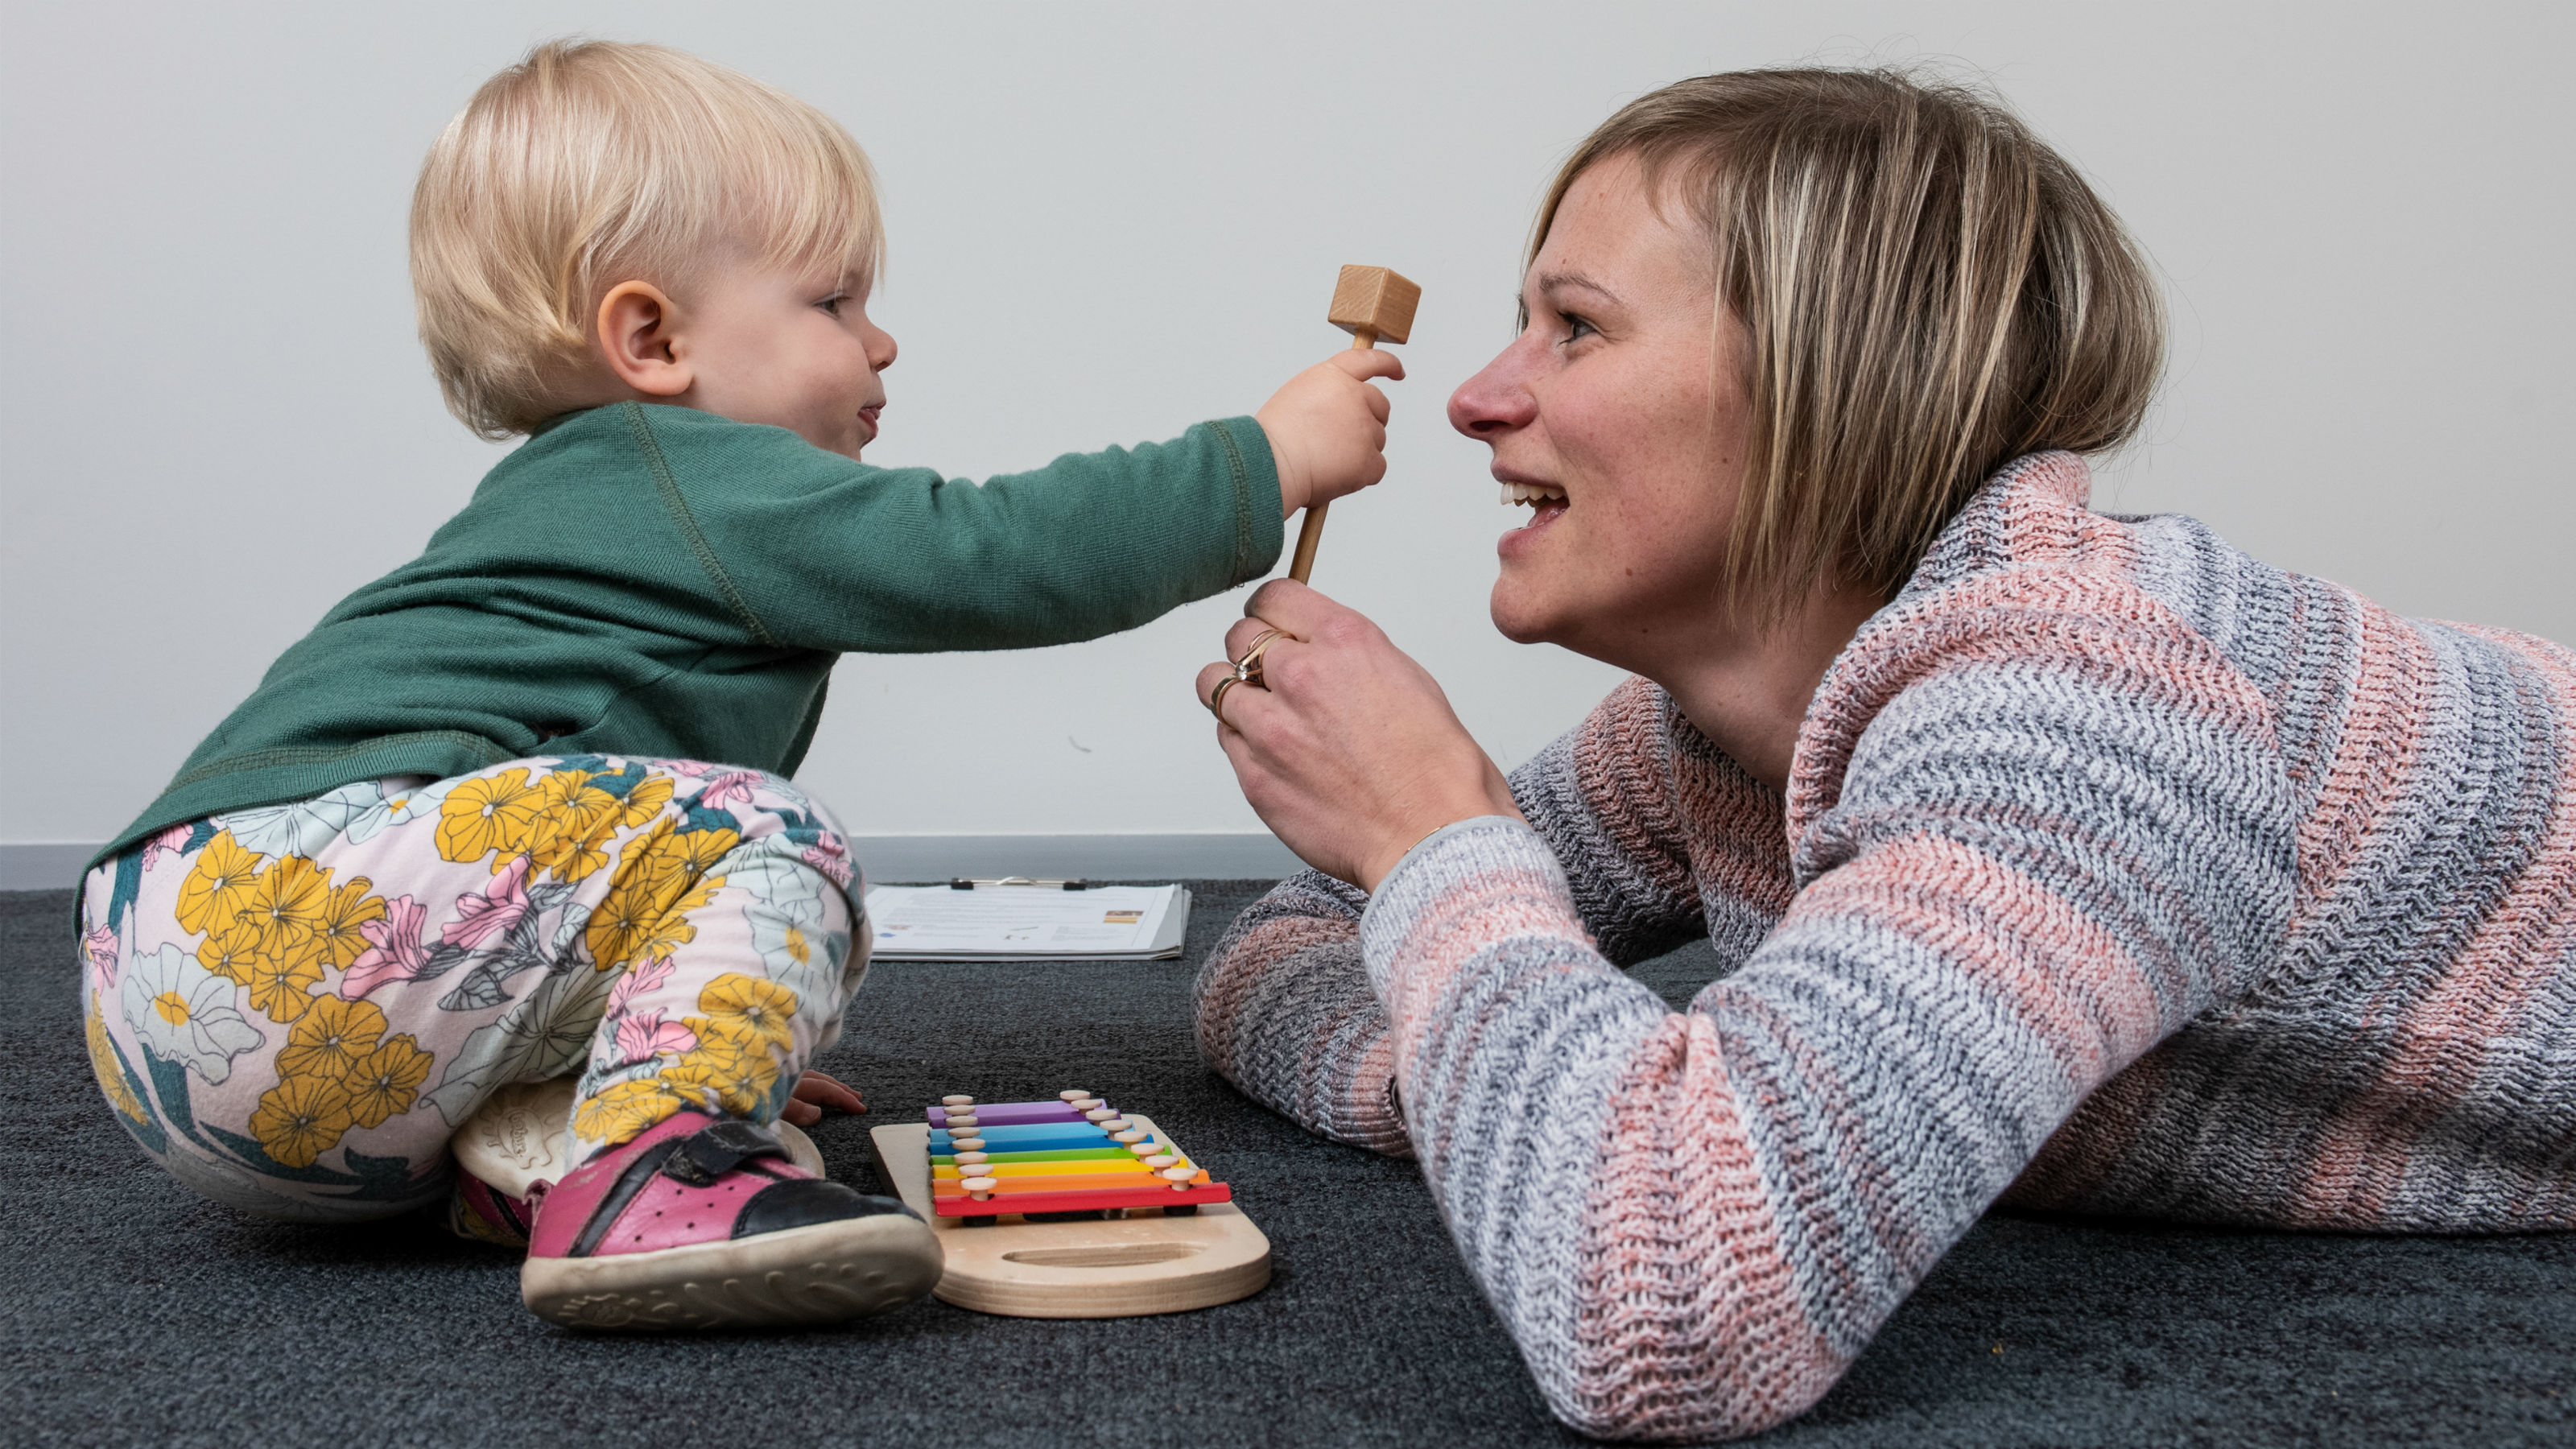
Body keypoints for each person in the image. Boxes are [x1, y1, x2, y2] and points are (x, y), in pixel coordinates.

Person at [1190, 67, 2574, 1441]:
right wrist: (1520, 1090)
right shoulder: (1723, 729)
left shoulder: (2089, 714)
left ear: (1831, 383)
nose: (1478, 399)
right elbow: (1274, 961)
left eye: (1575, 329)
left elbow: (1667, 1312)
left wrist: (1433, 833)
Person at [76, 39, 1401, 1331]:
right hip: (273, 912)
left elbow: (530, 890)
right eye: (833, 303)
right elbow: (986, 552)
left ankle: (577, 1138)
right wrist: (1263, 461)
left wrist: (696, 1026)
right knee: (765, 836)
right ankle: (659, 1165)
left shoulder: (594, 497)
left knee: (656, 849)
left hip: (191, 1000)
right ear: (652, 340)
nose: (881, 344)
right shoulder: (681, 467)